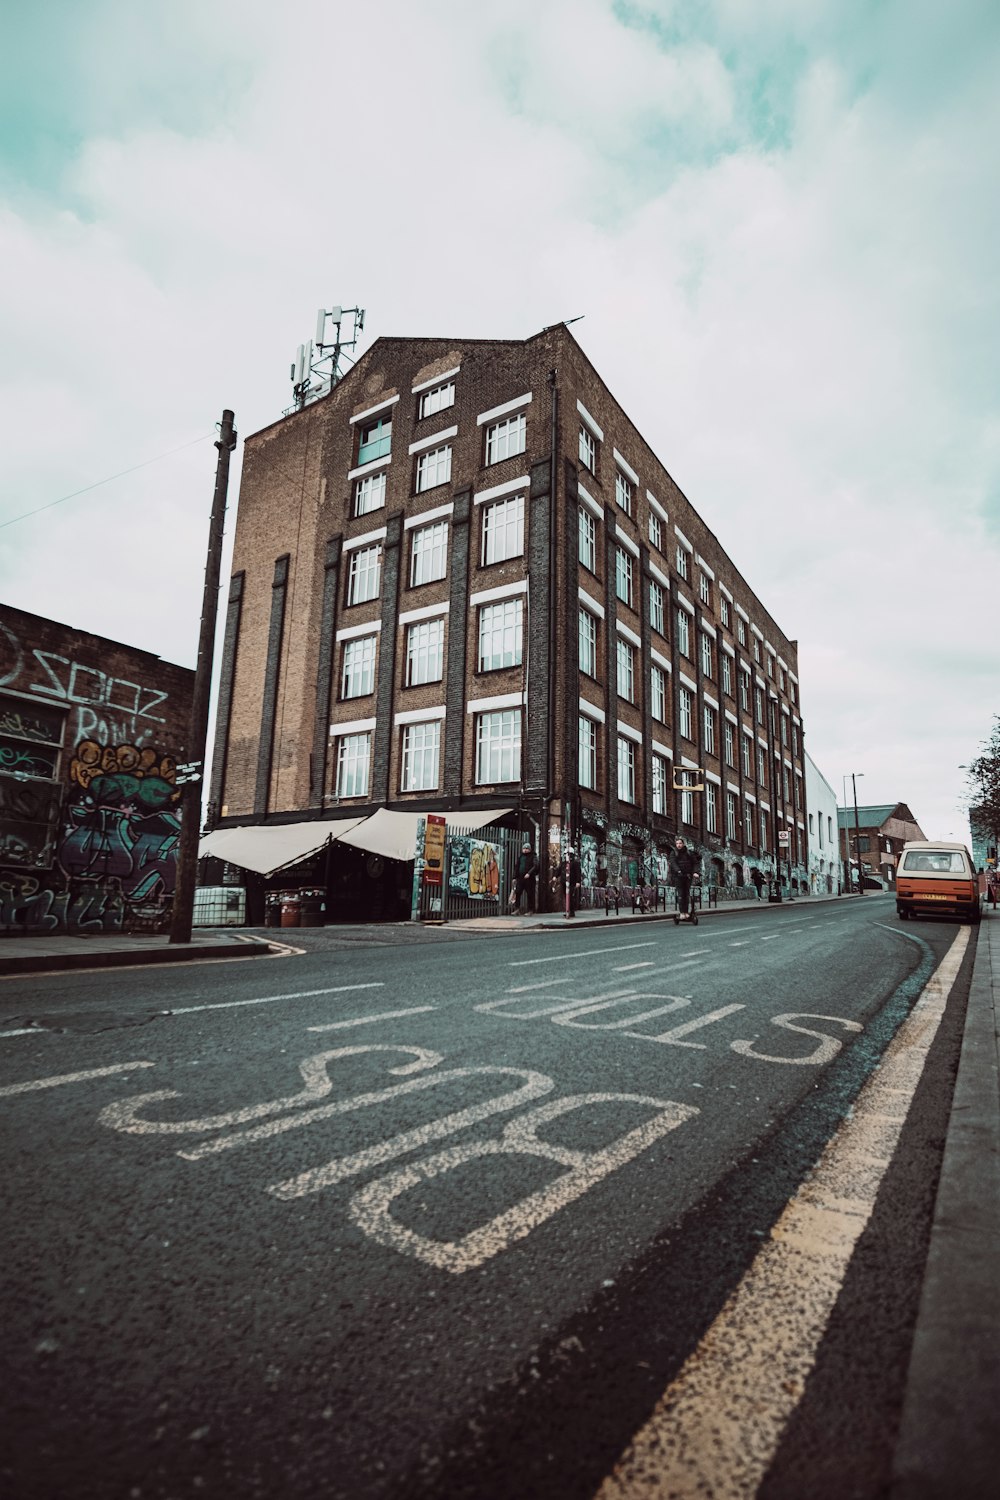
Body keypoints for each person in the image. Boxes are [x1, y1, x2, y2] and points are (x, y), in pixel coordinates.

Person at [669, 835, 698, 921]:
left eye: (680, 843)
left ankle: (686, 912)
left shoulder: (689, 853)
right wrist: (678, 871)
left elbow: (695, 863)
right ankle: (682, 912)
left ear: (683, 844)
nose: (678, 845)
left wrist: (695, 872)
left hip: (688, 876)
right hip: (678, 877)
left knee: (686, 894)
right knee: (681, 894)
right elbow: (673, 863)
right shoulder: (674, 853)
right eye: (677, 843)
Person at [512, 841, 538, 914]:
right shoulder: (520, 857)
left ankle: (530, 910)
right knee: (518, 892)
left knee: (530, 894)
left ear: (530, 849)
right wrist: (514, 877)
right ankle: (517, 909)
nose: (525, 850)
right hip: (520, 878)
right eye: (524, 848)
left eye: (527, 848)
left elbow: (535, 866)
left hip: (529, 879)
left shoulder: (533, 856)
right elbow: (516, 867)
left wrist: (529, 873)